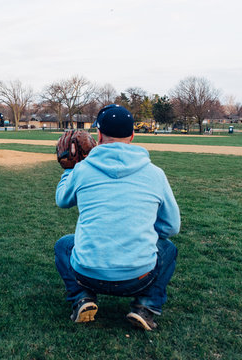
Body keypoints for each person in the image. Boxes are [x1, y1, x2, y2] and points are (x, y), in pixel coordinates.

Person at [54, 104, 181, 331]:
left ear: (99, 135)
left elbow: (62, 200)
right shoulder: (155, 174)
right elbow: (172, 226)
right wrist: (144, 234)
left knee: (64, 245)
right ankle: (146, 308)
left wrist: (69, 169)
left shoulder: (82, 170)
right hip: (139, 276)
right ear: (132, 135)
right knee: (168, 248)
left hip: (87, 274)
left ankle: (82, 298)